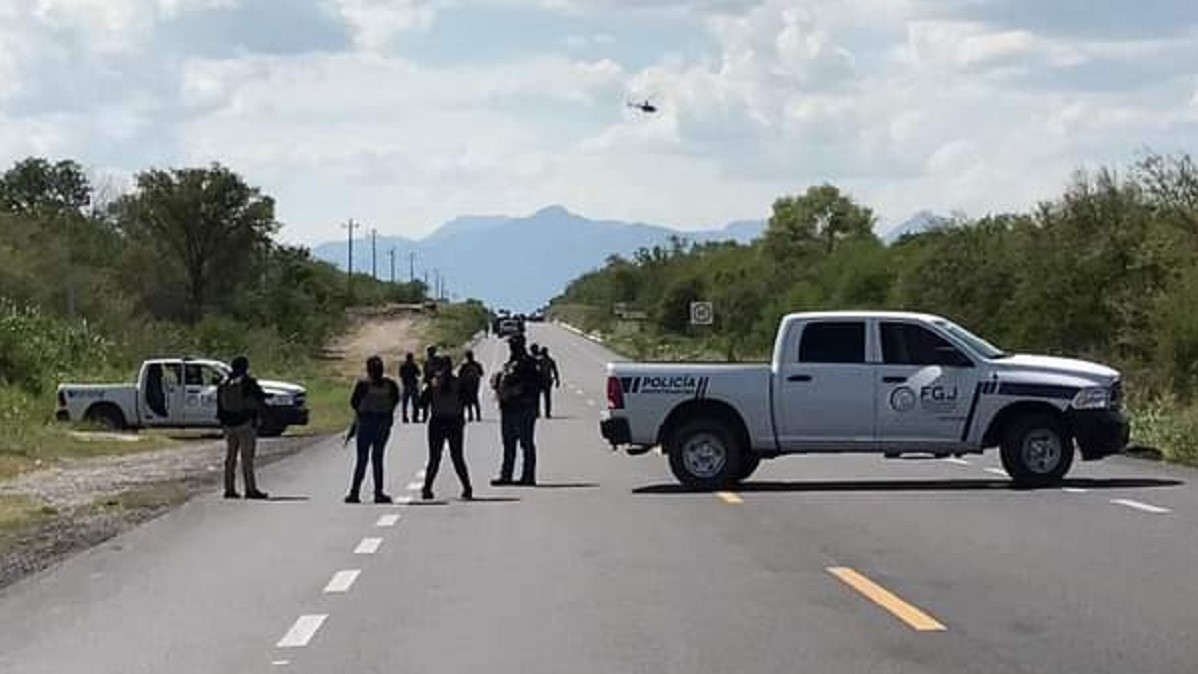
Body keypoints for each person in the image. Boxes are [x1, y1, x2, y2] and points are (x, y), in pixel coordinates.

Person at [346, 355, 401, 504]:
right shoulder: (390, 385)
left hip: (366, 423)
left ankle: (355, 492)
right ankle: (378, 492)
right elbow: (395, 400)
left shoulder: (363, 385)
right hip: (382, 423)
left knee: (362, 460)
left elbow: (354, 403)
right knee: (378, 459)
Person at [491, 333, 542, 487]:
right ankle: (506, 475)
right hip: (508, 408)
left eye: (512, 344)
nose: (511, 347)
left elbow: (532, 385)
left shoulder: (528, 363)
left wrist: (513, 392)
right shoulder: (510, 363)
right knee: (509, 444)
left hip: (523, 408)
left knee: (526, 443)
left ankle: (528, 476)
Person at [420, 356, 473, 501]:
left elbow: (422, 402)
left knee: (435, 458)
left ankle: (427, 488)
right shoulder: (458, 383)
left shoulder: (434, 383)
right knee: (457, 457)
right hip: (454, 421)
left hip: (438, 421)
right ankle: (467, 488)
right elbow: (468, 400)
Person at [217, 355, 269, 500]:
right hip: (245, 424)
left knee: (230, 458)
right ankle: (250, 489)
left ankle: (229, 489)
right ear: (245, 367)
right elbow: (259, 398)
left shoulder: (223, 383)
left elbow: (219, 407)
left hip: (228, 425)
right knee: (247, 458)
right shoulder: (248, 382)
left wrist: (223, 422)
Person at [458, 350, 485, 422]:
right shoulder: (476, 365)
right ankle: (477, 416)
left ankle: (471, 416)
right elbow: (482, 373)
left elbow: (460, 375)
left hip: (468, 385)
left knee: (469, 400)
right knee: (475, 399)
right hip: (474, 385)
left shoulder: (465, 366)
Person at [537, 346, 561, 418]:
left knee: (538, 397)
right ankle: (547, 413)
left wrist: (557, 379)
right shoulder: (549, 360)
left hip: (541, 380)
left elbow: (555, 370)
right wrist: (557, 380)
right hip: (545, 380)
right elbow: (555, 371)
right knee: (547, 397)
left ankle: (540, 412)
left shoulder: (539, 360)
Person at [398, 352, 421, 423]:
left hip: (406, 385)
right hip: (413, 385)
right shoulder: (414, 365)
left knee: (405, 403)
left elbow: (400, 375)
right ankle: (415, 417)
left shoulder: (403, 366)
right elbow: (419, 373)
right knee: (415, 403)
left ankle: (405, 417)